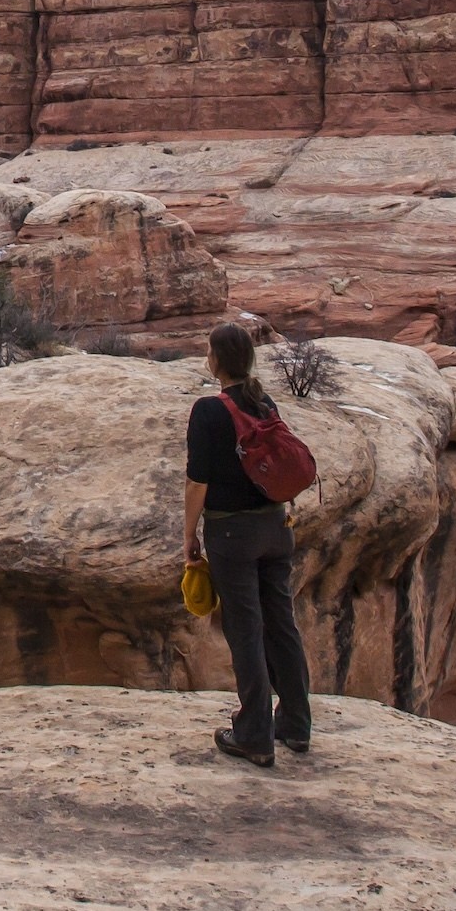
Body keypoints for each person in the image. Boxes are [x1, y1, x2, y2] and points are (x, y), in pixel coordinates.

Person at [183, 320, 310, 767]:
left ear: (216, 360)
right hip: (278, 528)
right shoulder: (263, 401)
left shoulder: (208, 410)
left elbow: (197, 481)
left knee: (245, 629)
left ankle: (254, 734)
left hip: (232, 534)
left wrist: (189, 537)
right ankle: (295, 723)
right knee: (281, 624)